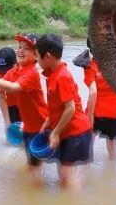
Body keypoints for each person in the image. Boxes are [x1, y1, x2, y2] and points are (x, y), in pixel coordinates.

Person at [0, 34, 48, 183]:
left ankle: (37, 195)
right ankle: (34, 193)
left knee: (34, 166)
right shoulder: (13, 72)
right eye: (19, 47)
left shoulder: (32, 73)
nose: (21, 51)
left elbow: (15, 88)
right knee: (32, 165)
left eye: (26, 48)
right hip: (28, 126)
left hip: (39, 126)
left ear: (36, 55)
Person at [35, 34, 92, 192]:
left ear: (48, 56)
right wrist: (48, 121)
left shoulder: (62, 76)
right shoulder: (53, 75)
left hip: (76, 132)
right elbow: (57, 106)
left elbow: (71, 108)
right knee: (63, 170)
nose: (36, 62)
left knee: (67, 173)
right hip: (68, 131)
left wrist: (55, 133)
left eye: (37, 57)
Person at [73, 39, 116, 160]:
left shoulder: (90, 66)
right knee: (112, 148)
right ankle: (113, 172)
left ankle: (87, 172)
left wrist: (90, 115)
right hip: (113, 112)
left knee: (88, 144)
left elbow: (93, 91)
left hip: (95, 112)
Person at [0, 47, 19, 128]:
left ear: (16, 63)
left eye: (8, 70)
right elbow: (1, 96)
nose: (5, 74)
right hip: (12, 106)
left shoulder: (24, 71)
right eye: (3, 70)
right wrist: (7, 122)